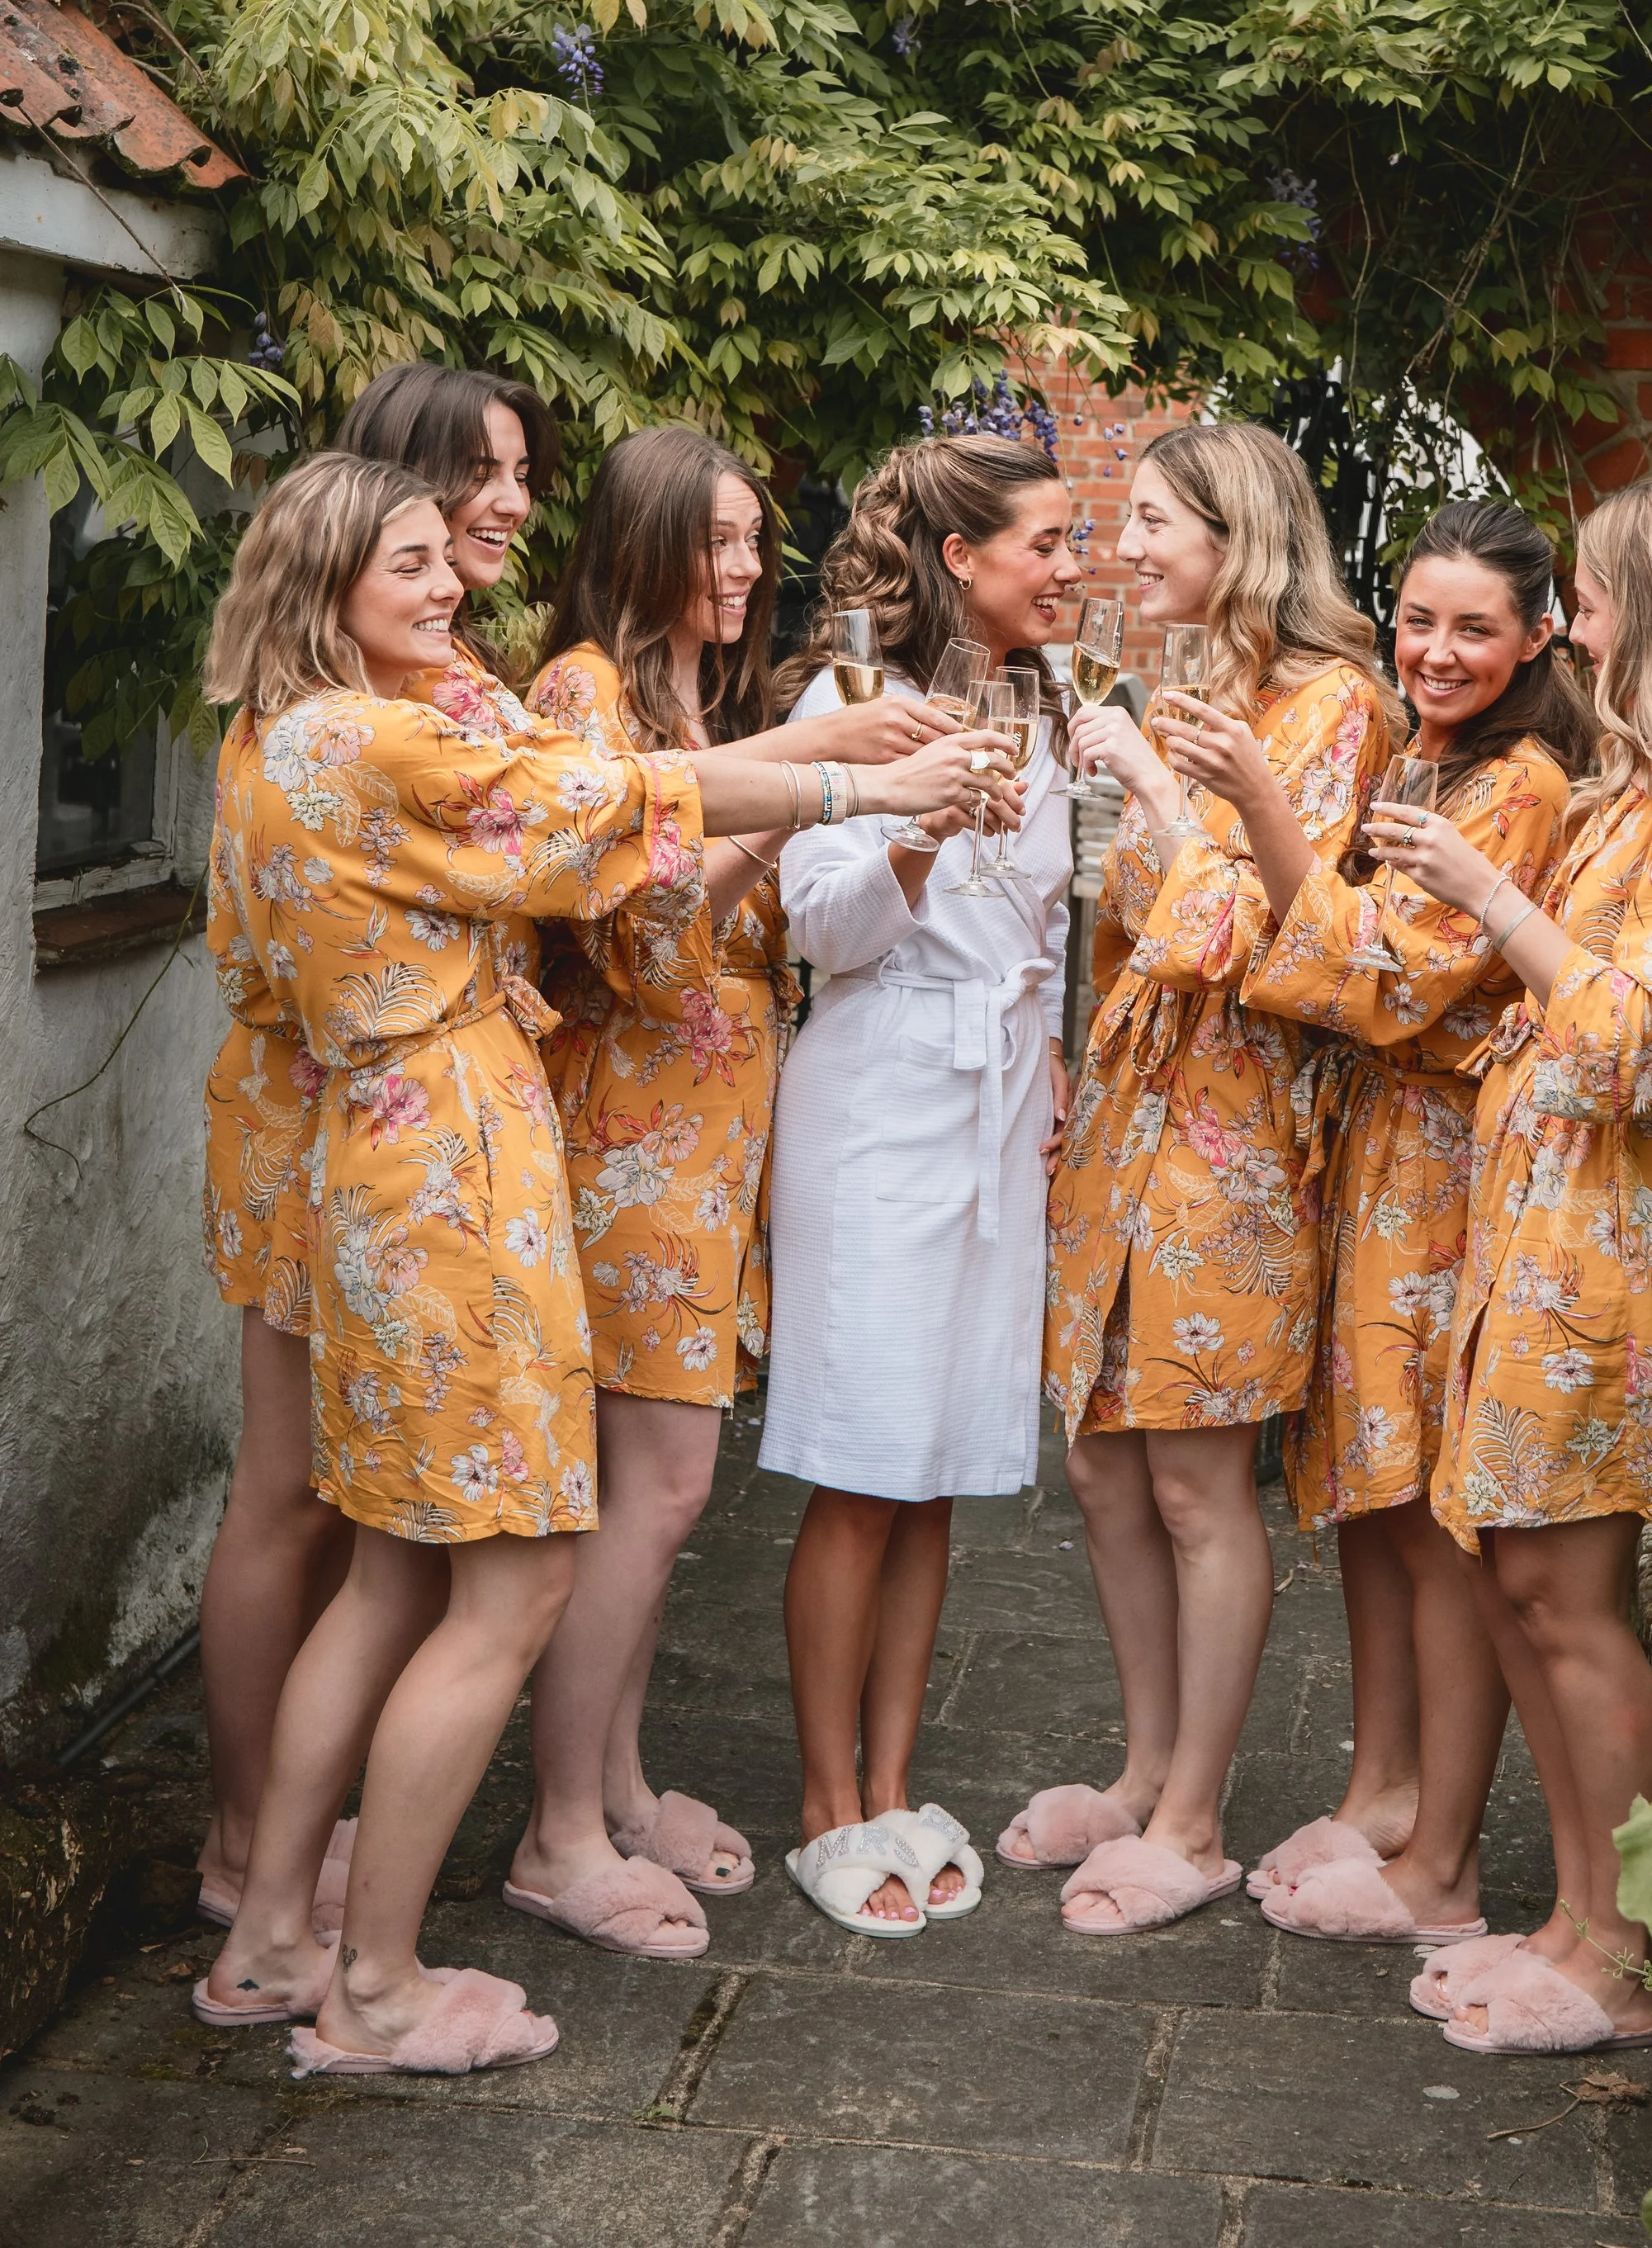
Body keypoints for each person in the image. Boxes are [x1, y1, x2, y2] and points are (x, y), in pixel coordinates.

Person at [196, 454, 988, 2065]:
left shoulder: (285, 741)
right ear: (323, 579)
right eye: (412, 564)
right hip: (456, 1167)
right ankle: (377, 1993)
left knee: (397, 1563)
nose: (453, 586)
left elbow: (589, 785)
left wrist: (815, 749)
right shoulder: (380, 740)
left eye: (445, 560)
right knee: (516, 1576)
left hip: (373, 1148)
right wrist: (852, 780)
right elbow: (603, 803)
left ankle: (273, 1940)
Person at [1378, 473, 1652, 2056]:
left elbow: (1640, 1037)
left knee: (1575, 1601)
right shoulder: (1635, 785)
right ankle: (1575, 1914)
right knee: (1517, 1577)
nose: (1572, 619)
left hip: (1625, 1257)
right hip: (1541, 1225)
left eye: (1595, 593)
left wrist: (1489, 895)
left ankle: (1628, 1962)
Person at [506, 425, 969, 1943]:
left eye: (756, 537)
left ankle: (624, 1788)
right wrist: (801, 803)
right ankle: (560, 1830)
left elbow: (736, 917)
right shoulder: (580, 689)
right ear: (643, 543)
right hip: (630, 1139)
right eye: (715, 539)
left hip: (705, 1144)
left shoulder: (689, 700)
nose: (747, 565)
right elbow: (632, 941)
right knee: (655, 1490)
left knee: (656, 1496)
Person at [1167, 502, 1590, 1951]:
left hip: (1444, 1165)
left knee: (1426, 1518)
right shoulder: (1429, 753)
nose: (1436, 649)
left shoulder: (1518, 784)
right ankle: (1381, 1784)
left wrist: (1262, 808)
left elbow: (1385, 984)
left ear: (1540, 635)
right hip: (1373, 1155)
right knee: (1365, 1491)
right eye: (1418, 617)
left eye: (1476, 626)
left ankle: (1444, 1856)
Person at [193, 363, 554, 1935]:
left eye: (521, 471)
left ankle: (289, 1857)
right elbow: (577, 822)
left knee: (380, 1509)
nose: (508, 502)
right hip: (328, 1102)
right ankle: (246, 1846)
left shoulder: (443, 676)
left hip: (373, 1083)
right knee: (297, 1496)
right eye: (477, 473)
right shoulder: (344, 712)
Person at [1018, 424, 1389, 1934]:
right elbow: (1137, 927)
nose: (1127, 549)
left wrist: (1166, 805)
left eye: (1155, 521)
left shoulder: (1337, 709)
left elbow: (1256, 935)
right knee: (1106, 1458)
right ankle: (1142, 1763)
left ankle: (1197, 1814)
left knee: (1194, 1474)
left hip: (1237, 1138)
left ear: (1238, 534)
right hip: (1131, 1116)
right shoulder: (1195, 693)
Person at [764, 434, 1071, 1936]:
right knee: (861, 1458)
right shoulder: (856, 703)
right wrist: (916, 835)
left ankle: (896, 1774)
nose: (1072, 570)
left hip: (997, 1105)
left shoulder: (1044, 703)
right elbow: (815, 927)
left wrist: (1056, 1052)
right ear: (964, 558)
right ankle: (826, 1803)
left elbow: (1053, 919)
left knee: (939, 1456)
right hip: (884, 1091)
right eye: (1050, 545)